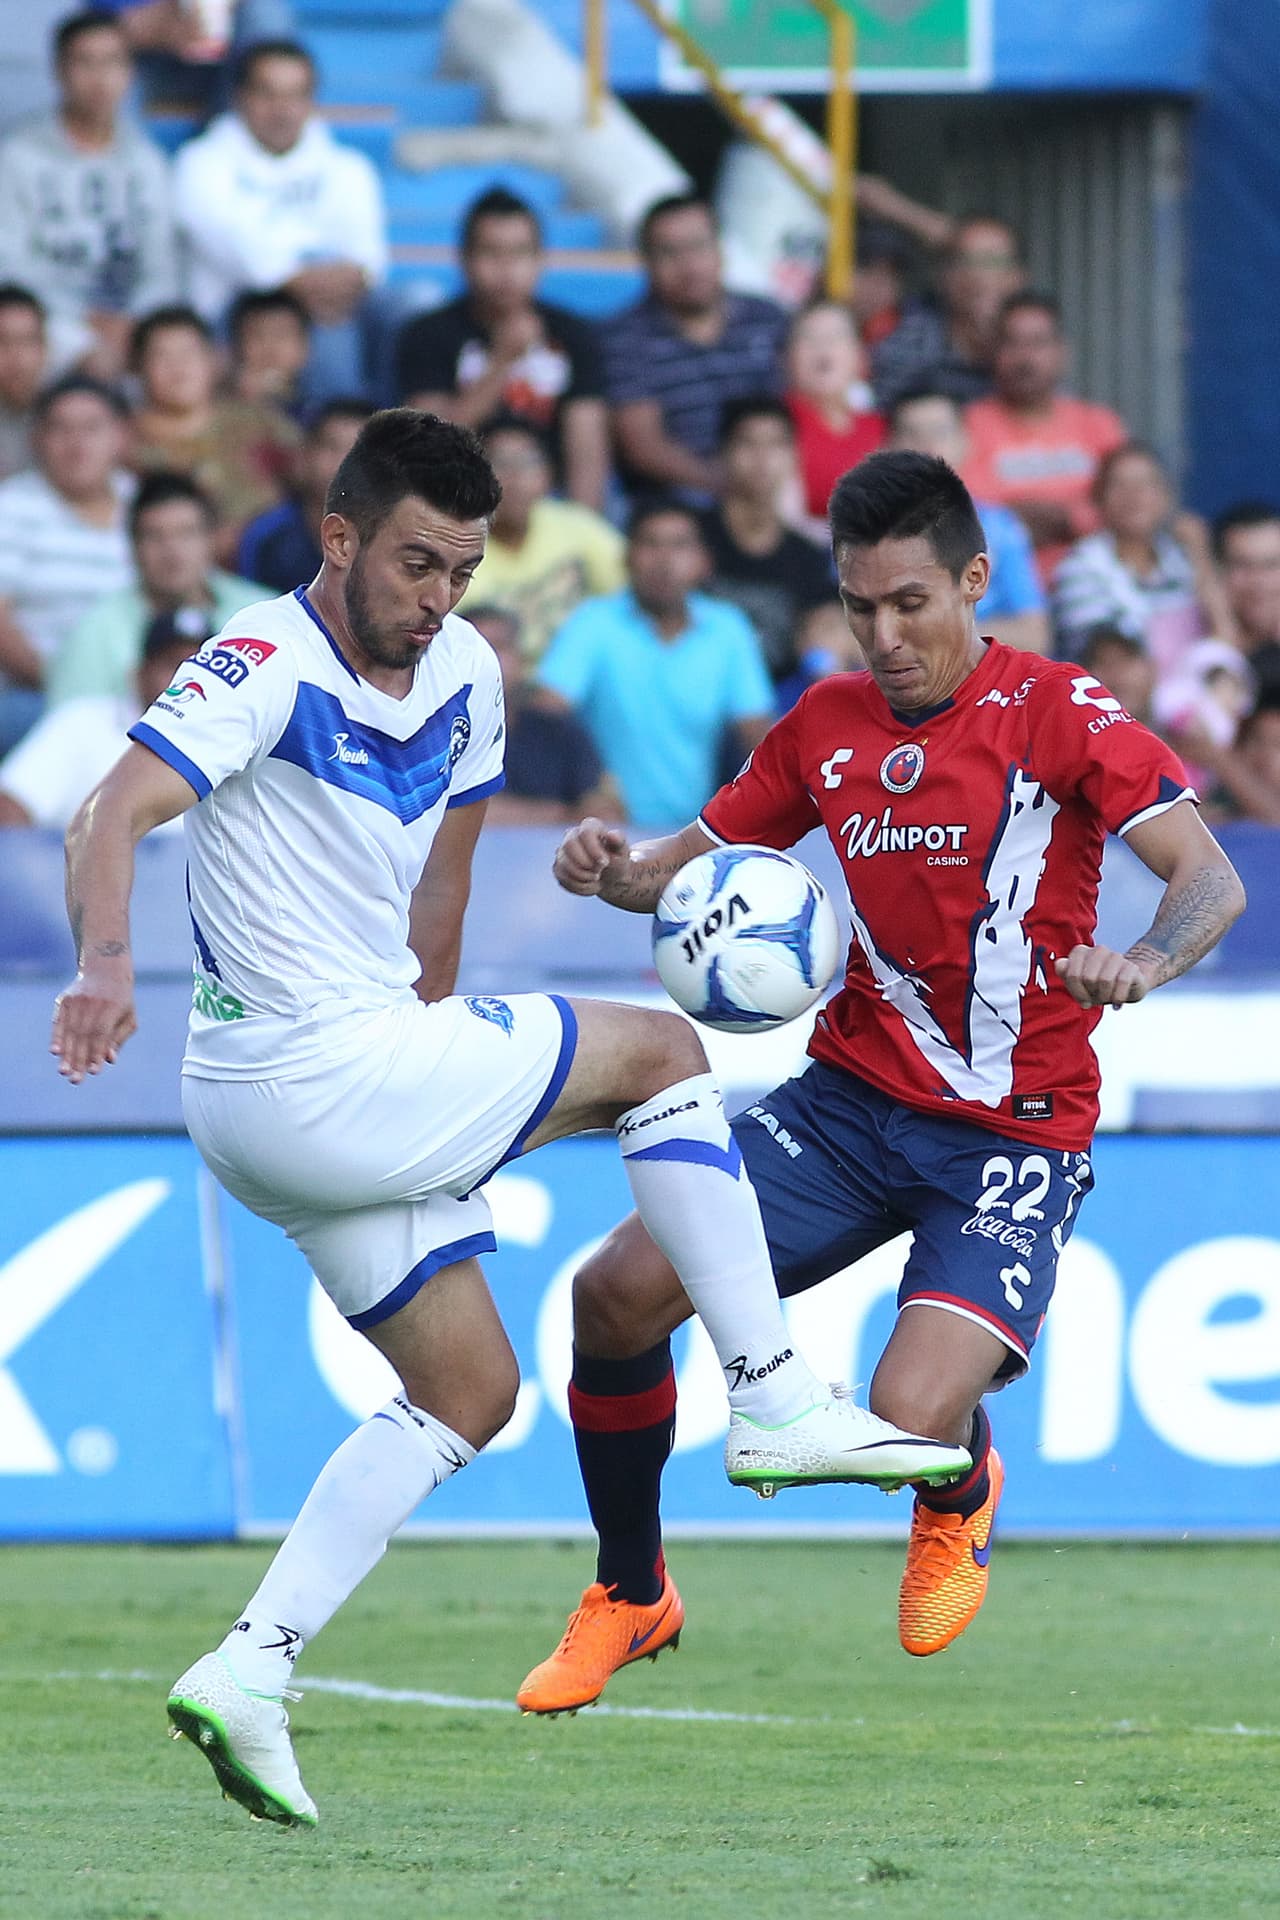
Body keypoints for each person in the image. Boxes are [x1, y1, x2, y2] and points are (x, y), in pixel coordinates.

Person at [50, 411, 969, 1826]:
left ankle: (249, 1668)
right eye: (414, 564)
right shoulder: (257, 663)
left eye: (462, 570)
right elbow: (106, 813)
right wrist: (107, 970)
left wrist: (439, 1036)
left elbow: (443, 898)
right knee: (662, 1051)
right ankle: (775, 1393)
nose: (436, 599)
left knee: (469, 1391)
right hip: (300, 1075)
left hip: (341, 1080)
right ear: (341, 539)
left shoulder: (468, 671)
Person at [515, 448, 1245, 1718]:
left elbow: (1209, 879)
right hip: (846, 1107)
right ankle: (630, 1594)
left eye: (910, 603)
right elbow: (681, 865)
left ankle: (955, 1490)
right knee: (614, 1296)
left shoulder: (1057, 710)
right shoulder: (822, 727)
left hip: (1011, 1136)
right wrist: (609, 867)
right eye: (859, 607)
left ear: (972, 581)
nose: (885, 635)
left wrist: (1141, 959)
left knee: (906, 1417)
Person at [172, 40, 389, 407]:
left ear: (312, 101)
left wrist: (347, 278)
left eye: (295, 95)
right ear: (239, 96)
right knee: (327, 335)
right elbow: (238, 250)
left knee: (412, 305)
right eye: (267, 93)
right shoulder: (200, 162)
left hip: (330, 301)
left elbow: (368, 259)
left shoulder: (350, 167)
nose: (282, 109)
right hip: (236, 308)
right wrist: (300, 279)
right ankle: (335, 449)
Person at [536, 499, 776, 826]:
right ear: (626, 557)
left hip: (697, 836)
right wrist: (585, 786)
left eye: (680, 545)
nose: (664, 561)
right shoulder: (594, 620)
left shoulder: (727, 628)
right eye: (650, 544)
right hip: (603, 834)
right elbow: (546, 714)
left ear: (703, 561)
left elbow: (759, 737)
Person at [395, 190, 610, 514]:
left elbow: (587, 449)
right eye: (491, 253)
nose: (506, 269)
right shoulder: (428, 334)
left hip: (549, 504)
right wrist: (503, 361)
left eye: (519, 253)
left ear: (540, 260)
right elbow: (429, 448)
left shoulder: (574, 334)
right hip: (453, 500)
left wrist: (582, 526)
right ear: (464, 259)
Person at [0, 11, 177, 385]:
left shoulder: (147, 160)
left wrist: (134, 326)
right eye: (85, 62)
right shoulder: (18, 157)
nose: (100, 79)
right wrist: (80, 327)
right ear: (58, 71)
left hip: (132, 327)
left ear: (130, 73)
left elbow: (161, 266)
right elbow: (10, 263)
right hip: (47, 324)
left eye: (112, 62)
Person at [601, 194, 788, 505]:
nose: (689, 266)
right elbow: (644, 448)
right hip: (679, 498)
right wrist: (729, 486)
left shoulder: (767, 318)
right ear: (646, 262)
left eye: (699, 246)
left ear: (720, 251)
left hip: (775, 484)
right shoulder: (624, 337)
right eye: (670, 252)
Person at [0, 374, 135, 750]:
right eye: (61, 429)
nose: (77, 444)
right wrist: (68, 685)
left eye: (92, 428)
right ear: (37, 439)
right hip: (37, 693)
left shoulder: (143, 503)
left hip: (144, 694)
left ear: (121, 436)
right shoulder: (11, 505)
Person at [47, 471, 263, 705]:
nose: (172, 550)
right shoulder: (95, 630)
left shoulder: (259, 613)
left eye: (186, 533)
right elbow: (71, 728)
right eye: (154, 536)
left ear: (212, 539)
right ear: (132, 547)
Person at [963, 293, 1128, 586]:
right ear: (994, 352)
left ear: (1062, 352)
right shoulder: (968, 425)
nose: (1024, 358)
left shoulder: (1100, 426)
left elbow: (1129, 509)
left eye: (1038, 343)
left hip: (1097, 587)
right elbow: (966, 516)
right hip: (999, 595)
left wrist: (1069, 520)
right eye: (1012, 343)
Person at [0, 607, 205, 829]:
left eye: (198, 669)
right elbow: (11, 808)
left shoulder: (236, 740)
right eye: (174, 665)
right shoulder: (82, 722)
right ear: (139, 674)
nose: (187, 681)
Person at [129, 304, 300, 559]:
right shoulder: (124, 442)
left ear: (213, 360)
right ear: (137, 367)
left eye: (188, 354)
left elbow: (307, 471)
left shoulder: (257, 420)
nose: (178, 368)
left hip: (275, 558)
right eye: (162, 356)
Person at [889, 386, 1049, 655]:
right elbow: (843, 632)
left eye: (940, 433)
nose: (927, 447)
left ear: (966, 442)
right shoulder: (865, 531)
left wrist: (932, 634)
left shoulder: (1001, 528)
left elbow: (1035, 634)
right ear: (889, 446)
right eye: (912, 434)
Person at [699, 395, 840, 699]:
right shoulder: (691, 538)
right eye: (748, 444)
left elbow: (822, 640)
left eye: (776, 445)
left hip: (777, 705)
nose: (762, 458)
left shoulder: (808, 556)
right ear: (723, 454)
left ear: (793, 456)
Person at [456, 418, 624, 664]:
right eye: (500, 463)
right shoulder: (458, 547)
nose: (515, 478)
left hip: (577, 684)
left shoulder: (576, 526)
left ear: (549, 474)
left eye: (528, 462)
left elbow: (629, 597)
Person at [1051, 443, 1230, 671]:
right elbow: (1110, 664)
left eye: (1145, 484)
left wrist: (1200, 555)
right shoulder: (1079, 568)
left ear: (1166, 496)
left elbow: (1225, 642)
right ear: (1098, 499)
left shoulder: (1181, 560)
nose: (1133, 495)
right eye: (1119, 484)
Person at [466, 602, 618, 824]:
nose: (487, 659)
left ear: (523, 659)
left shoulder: (561, 732)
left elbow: (607, 813)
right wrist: (561, 815)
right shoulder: (433, 734)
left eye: (498, 647)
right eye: (474, 649)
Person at [871, 215, 1026, 412]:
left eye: (993, 261)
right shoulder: (907, 343)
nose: (978, 275)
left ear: (1019, 277)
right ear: (944, 277)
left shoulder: (1034, 345)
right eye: (966, 261)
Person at [235, 397, 373, 594]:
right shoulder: (267, 536)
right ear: (305, 455)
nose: (343, 464)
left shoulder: (398, 534)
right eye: (332, 447)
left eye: (357, 452)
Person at [783, 301, 886, 536]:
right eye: (810, 339)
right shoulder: (775, 423)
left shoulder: (880, 426)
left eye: (836, 337)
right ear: (787, 357)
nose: (823, 348)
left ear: (860, 357)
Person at [1211, 503, 1280, 704]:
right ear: (1218, 570)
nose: (1258, 581)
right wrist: (1221, 644)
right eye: (1242, 565)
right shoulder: (1172, 638)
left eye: (1271, 565)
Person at [226, 286, 312, 420]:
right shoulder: (214, 411)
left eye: (282, 335)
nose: (270, 348)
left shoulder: (319, 419)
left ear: (305, 348)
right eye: (257, 336)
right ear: (236, 348)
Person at [0, 284, 48, 481]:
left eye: (28, 341)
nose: (16, 356)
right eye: (2, 342)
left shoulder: (69, 408)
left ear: (45, 348)